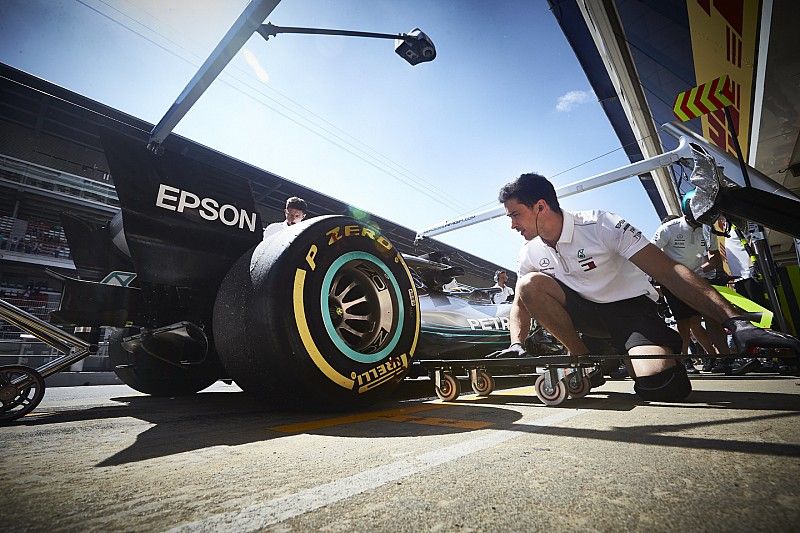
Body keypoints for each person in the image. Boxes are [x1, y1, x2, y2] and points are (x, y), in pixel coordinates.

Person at [491, 172, 800, 401]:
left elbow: (670, 271)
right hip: (584, 315)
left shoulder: (600, 223)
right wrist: (516, 344)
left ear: (541, 206)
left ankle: (639, 355)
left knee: (661, 387)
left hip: (630, 310)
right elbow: (522, 301)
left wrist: (734, 320)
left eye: (516, 214)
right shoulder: (529, 252)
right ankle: (583, 357)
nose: (512, 225)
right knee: (529, 284)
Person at [652, 201, 725, 374]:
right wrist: (658, 280)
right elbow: (652, 253)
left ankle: (715, 358)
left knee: (698, 322)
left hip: (697, 281)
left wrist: (701, 270)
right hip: (673, 282)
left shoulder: (707, 229)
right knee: (684, 324)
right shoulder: (668, 228)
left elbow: (715, 257)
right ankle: (683, 361)